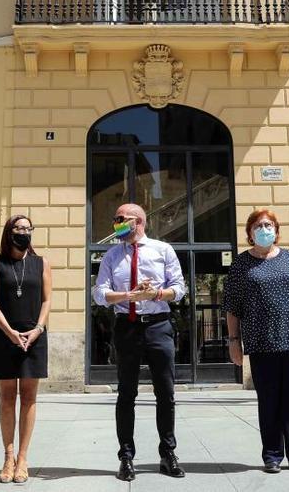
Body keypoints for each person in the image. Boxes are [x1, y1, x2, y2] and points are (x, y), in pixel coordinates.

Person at [222, 209, 289, 474]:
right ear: (250, 233)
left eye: (268, 225)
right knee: (268, 401)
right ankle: (272, 455)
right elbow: (232, 307)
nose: (264, 229)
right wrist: (234, 341)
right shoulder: (241, 264)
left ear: (276, 231)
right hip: (260, 342)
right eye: (258, 225)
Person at [92, 203, 187, 481]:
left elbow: (179, 289)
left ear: (139, 221)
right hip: (127, 327)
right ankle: (126, 456)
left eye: (122, 219)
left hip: (158, 326)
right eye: (115, 219)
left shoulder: (163, 250)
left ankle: (167, 454)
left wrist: (156, 294)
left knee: (165, 393)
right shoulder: (111, 255)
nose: (117, 223)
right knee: (126, 394)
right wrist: (127, 296)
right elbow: (100, 293)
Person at [0, 215, 52, 483]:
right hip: (5, 336)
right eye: (19, 228)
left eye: (28, 228)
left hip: (34, 336)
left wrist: (37, 329)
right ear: (9, 232)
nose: (24, 232)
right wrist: (10, 333)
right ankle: (8, 456)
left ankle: (23, 459)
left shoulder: (41, 263)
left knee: (28, 397)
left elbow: (47, 300)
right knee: (6, 397)